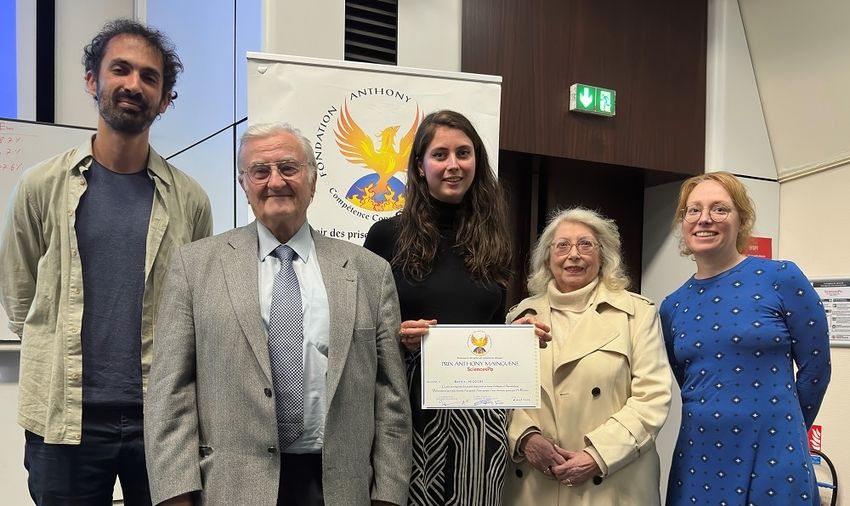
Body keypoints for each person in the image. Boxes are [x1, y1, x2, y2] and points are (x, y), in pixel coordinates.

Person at [0, 19, 212, 505]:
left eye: (149, 77)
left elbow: (195, 309)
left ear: (164, 99)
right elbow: (21, 300)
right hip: (64, 419)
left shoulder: (191, 201)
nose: (134, 84)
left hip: (161, 422)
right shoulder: (40, 186)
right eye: (121, 69)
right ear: (94, 81)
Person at [144, 123, 411, 506]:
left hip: (340, 488)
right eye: (260, 171)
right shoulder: (195, 266)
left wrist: (388, 494)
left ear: (313, 181)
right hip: (231, 488)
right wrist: (176, 495)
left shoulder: (369, 272)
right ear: (244, 184)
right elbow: (170, 392)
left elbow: (391, 400)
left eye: (288, 168)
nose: (275, 181)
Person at [363, 110, 519, 505]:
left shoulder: (495, 240)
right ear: (420, 166)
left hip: (479, 421)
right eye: (440, 154)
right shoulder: (386, 236)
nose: (453, 165)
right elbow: (359, 330)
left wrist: (520, 333)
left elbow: (493, 327)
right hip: (407, 411)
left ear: (477, 162)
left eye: (464, 153)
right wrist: (398, 336)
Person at [660, 171, 831, 505]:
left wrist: (786, 430)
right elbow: (690, 383)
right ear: (683, 222)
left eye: (719, 209)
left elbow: (816, 371)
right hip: (699, 457)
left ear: (741, 219)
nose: (704, 219)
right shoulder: (672, 306)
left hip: (775, 455)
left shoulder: (781, 278)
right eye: (693, 210)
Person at [503, 207, 672, 505]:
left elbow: (652, 398)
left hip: (614, 481)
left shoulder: (637, 313)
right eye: (562, 245)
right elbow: (498, 393)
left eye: (585, 244)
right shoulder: (520, 315)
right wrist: (525, 437)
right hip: (535, 482)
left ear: (603, 256)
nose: (574, 255)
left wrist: (598, 454)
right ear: (547, 257)